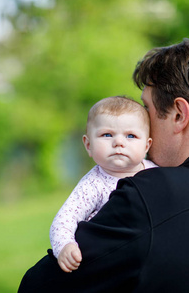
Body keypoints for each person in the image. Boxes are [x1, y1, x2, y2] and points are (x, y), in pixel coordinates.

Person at [19, 38, 189, 293]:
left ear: (179, 114)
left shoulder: (150, 194)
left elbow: (38, 287)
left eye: (147, 110)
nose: (140, 125)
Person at [50, 96, 157, 273]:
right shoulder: (93, 185)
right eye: (107, 135)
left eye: (131, 135)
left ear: (146, 145)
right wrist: (65, 246)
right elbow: (63, 220)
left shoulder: (157, 172)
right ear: (88, 145)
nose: (119, 142)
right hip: (108, 260)